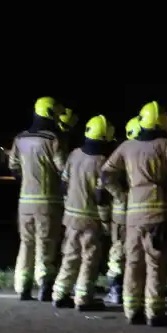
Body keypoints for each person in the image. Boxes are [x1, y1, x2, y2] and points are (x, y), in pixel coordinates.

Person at [100, 101, 167, 326]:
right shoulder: (165, 145)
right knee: (156, 263)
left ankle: (132, 310)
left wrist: (121, 195)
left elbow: (106, 173)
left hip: (132, 216)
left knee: (133, 262)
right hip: (158, 214)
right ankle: (154, 312)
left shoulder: (127, 146)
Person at [7, 97, 68, 302]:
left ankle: (22, 286)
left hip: (24, 201)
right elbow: (64, 170)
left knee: (26, 243)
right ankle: (45, 285)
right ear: (50, 114)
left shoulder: (20, 139)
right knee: (46, 243)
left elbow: (13, 167)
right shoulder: (53, 140)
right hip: (48, 202)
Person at [52, 115, 115, 311]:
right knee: (89, 259)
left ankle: (60, 293)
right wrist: (106, 224)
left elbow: (64, 184)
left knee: (70, 255)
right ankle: (83, 298)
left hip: (71, 217)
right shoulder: (103, 162)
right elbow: (100, 197)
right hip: (91, 219)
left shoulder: (74, 155)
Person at [103, 116, 139, 306]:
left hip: (120, 210)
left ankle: (116, 289)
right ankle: (131, 288)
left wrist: (119, 196)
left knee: (118, 249)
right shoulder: (144, 152)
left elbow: (106, 177)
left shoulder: (122, 151)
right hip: (139, 208)